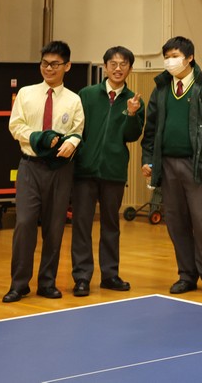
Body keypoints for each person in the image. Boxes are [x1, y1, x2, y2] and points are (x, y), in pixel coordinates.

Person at [141, 36, 202, 297]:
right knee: (176, 222)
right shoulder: (161, 88)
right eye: (167, 57)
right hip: (168, 165)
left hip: (199, 165)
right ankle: (186, 275)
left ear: (189, 57)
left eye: (175, 56)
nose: (170, 61)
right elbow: (150, 129)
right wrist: (148, 159)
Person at [3, 40, 85, 302]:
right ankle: (19, 284)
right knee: (24, 223)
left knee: (54, 227)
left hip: (60, 170)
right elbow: (16, 126)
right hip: (30, 166)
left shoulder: (73, 100)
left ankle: (47, 282)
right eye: (45, 64)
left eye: (55, 64)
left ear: (67, 66)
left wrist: (72, 143)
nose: (49, 69)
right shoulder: (26, 94)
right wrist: (39, 138)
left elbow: (77, 131)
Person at [70, 46, 144, 297]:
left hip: (114, 171)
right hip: (84, 171)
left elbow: (132, 136)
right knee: (81, 225)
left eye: (123, 64)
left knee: (111, 225)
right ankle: (81, 277)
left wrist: (131, 114)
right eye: (113, 64)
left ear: (130, 69)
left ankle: (110, 275)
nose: (118, 69)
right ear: (105, 67)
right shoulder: (87, 95)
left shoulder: (134, 100)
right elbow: (77, 129)